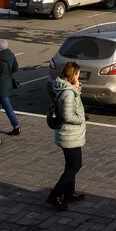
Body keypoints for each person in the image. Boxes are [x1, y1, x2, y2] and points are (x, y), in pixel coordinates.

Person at [46, 60, 87, 211]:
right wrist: (81, 119)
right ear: (73, 74)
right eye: (78, 74)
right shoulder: (68, 93)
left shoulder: (65, 88)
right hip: (70, 134)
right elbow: (68, 115)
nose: (79, 76)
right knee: (75, 165)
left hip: (68, 134)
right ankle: (55, 195)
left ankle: (69, 193)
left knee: (71, 164)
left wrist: (76, 87)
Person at [0, 39, 21, 137]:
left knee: (6, 105)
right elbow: (15, 68)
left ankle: (16, 125)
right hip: (8, 82)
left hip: (0, 84)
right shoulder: (11, 54)